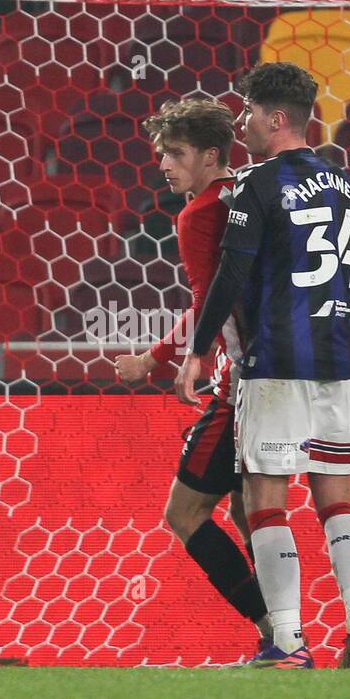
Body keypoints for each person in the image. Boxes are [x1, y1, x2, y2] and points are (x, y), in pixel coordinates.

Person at [176, 62, 350, 668]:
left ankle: (287, 640)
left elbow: (230, 272)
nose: (241, 124)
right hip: (337, 361)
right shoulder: (345, 184)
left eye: (247, 114)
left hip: (275, 360)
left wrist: (200, 348)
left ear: (276, 118)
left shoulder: (255, 186)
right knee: (336, 499)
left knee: (266, 501)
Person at [115, 98, 270, 654]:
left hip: (240, 386)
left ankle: (275, 632)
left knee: (184, 513)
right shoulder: (254, 192)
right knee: (251, 510)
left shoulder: (199, 213)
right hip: (289, 370)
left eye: (175, 153)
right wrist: (158, 357)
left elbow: (208, 295)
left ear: (210, 155)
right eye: (160, 154)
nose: (163, 164)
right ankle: (288, 634)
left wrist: (187, 355)